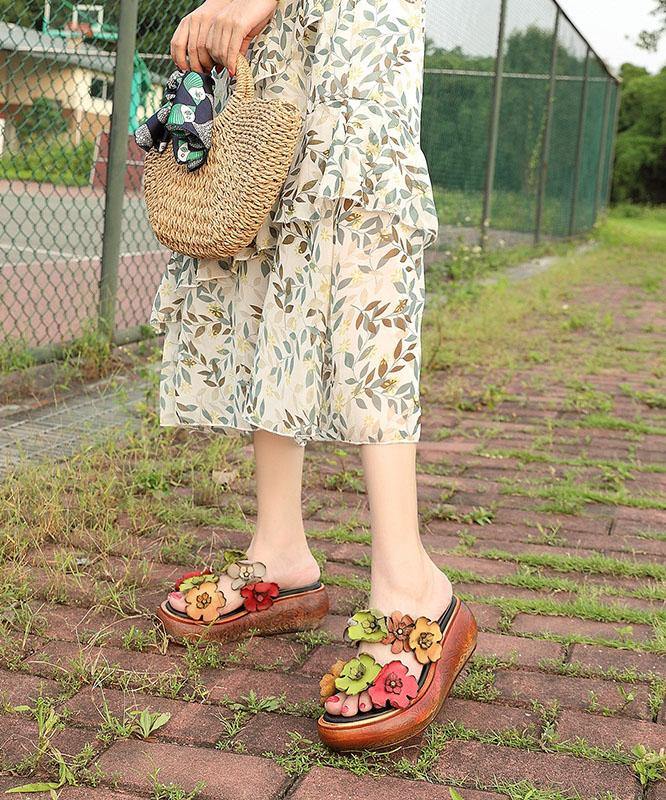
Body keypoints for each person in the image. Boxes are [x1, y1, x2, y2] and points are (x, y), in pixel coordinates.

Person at [150, 0, 477, 750]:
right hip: (283, 19)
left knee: (361, 236)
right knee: (271, 227)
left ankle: (413, 584)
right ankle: (281, 550)